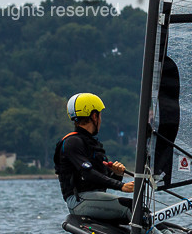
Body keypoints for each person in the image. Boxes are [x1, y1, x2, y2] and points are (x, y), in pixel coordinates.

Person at [53, 92, 135, 221]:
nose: (101, 119)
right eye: (100, 115)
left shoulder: (91, 143)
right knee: (133, 207)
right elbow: (88, 174)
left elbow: (102, 179)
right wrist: (121, 186)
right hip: (79, 201)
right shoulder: (72, 142)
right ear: (94, 116)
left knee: (141, 210)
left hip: (94, 198)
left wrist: (117, 174)